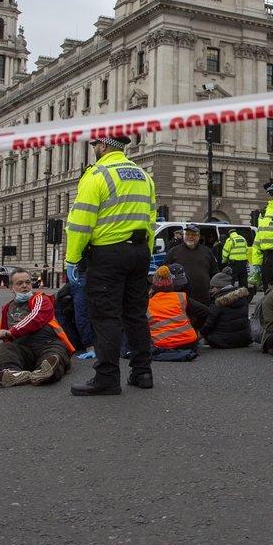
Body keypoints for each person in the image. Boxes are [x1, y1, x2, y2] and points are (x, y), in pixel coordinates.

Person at [65, 135, 156, 396]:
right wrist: (145, 255)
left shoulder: (97, 175)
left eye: (95, 145)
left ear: (103, 146)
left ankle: (107, 377)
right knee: (136, 314)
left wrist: (72, 259)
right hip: (139, 253)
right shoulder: (143, 176)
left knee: (106, 316)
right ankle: (142, 372)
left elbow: (80, 224)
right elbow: (150, 219)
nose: (94, 149)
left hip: (108, 255)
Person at [0, 268, 73, 387]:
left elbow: (35, 318)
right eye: (19, 283)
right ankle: (13, 374)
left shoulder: (41, 299)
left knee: (55, 355)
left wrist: (10, 332)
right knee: (6, 348)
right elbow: (5, 333)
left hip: (47, 343)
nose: (25, 286)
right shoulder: (7, 308)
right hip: (23, 348)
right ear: (11, 287)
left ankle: (43, 373)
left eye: (28, 282)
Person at [146, 266, 200, 358]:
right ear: (171, 284)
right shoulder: (181, 297)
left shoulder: (148, 303)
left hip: (163, 344)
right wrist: (196, 328)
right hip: (189, 342)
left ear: (154, 285)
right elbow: (204, 311)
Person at [165, 223, 219, 306]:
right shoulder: (173, 252)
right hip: (180, 299)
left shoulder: (207, 251)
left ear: (199, 236)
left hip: (203, 298)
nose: (190, 237)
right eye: (187, 234)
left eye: (193, 235)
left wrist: (216, 286)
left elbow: (214, 271)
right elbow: (164, 272)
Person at [250, 179, 273, 288]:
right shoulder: (263, 212)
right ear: (268, 195)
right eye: (271, 193)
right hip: (266, 257)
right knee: (267, 289)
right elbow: (258, 240)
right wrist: (256, 264)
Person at [200, 269, 251, 348]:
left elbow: (208, 324)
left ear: (220, 287)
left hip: (223, 341)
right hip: (244, 340)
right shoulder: (242, 298)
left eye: (213, 287)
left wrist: (198, 335)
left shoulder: (218, 302)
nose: (212, 290)